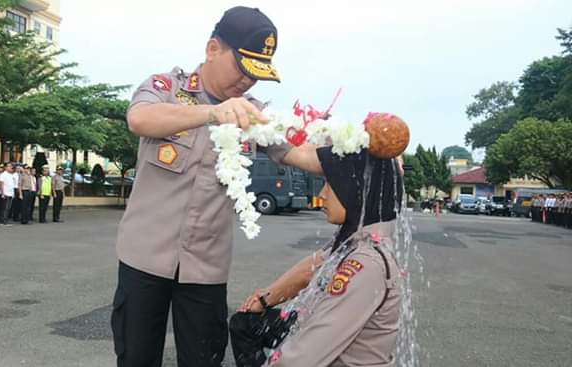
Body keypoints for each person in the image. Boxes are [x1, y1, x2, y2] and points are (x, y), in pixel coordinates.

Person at [111, 7, 320, 367]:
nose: (247, 83)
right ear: (212, 49)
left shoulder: (253, 115)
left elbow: (300, 153)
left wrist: (363, 150)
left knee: (203, 360)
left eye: (256, 76)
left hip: (205, 268)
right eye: (242, 68)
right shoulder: (166, 88)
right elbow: (140, 118)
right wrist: (212, 114)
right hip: (143, 259)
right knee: (135, 358)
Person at [229, 148, 403, 367]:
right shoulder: (357, 238)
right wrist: (264, 299)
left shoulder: (364, 264)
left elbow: (300, 359)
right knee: (245, 324)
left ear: (356, 190)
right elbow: (312, 267)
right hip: (320, 327)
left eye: (330, 184)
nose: (321, 194)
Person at [0, 163, 16, 227]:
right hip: (5, 193)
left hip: (10, 193)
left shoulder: (11, 175)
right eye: (9, 166)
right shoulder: (3, 175)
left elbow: (12, 185)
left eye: (11, 166)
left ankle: (5, 220)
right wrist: (2, 193)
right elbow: (1, 184)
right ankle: (2, 221)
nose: (11, 167)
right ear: (5, 167)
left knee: (8, 208)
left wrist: (13, 193)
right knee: (4, 208)